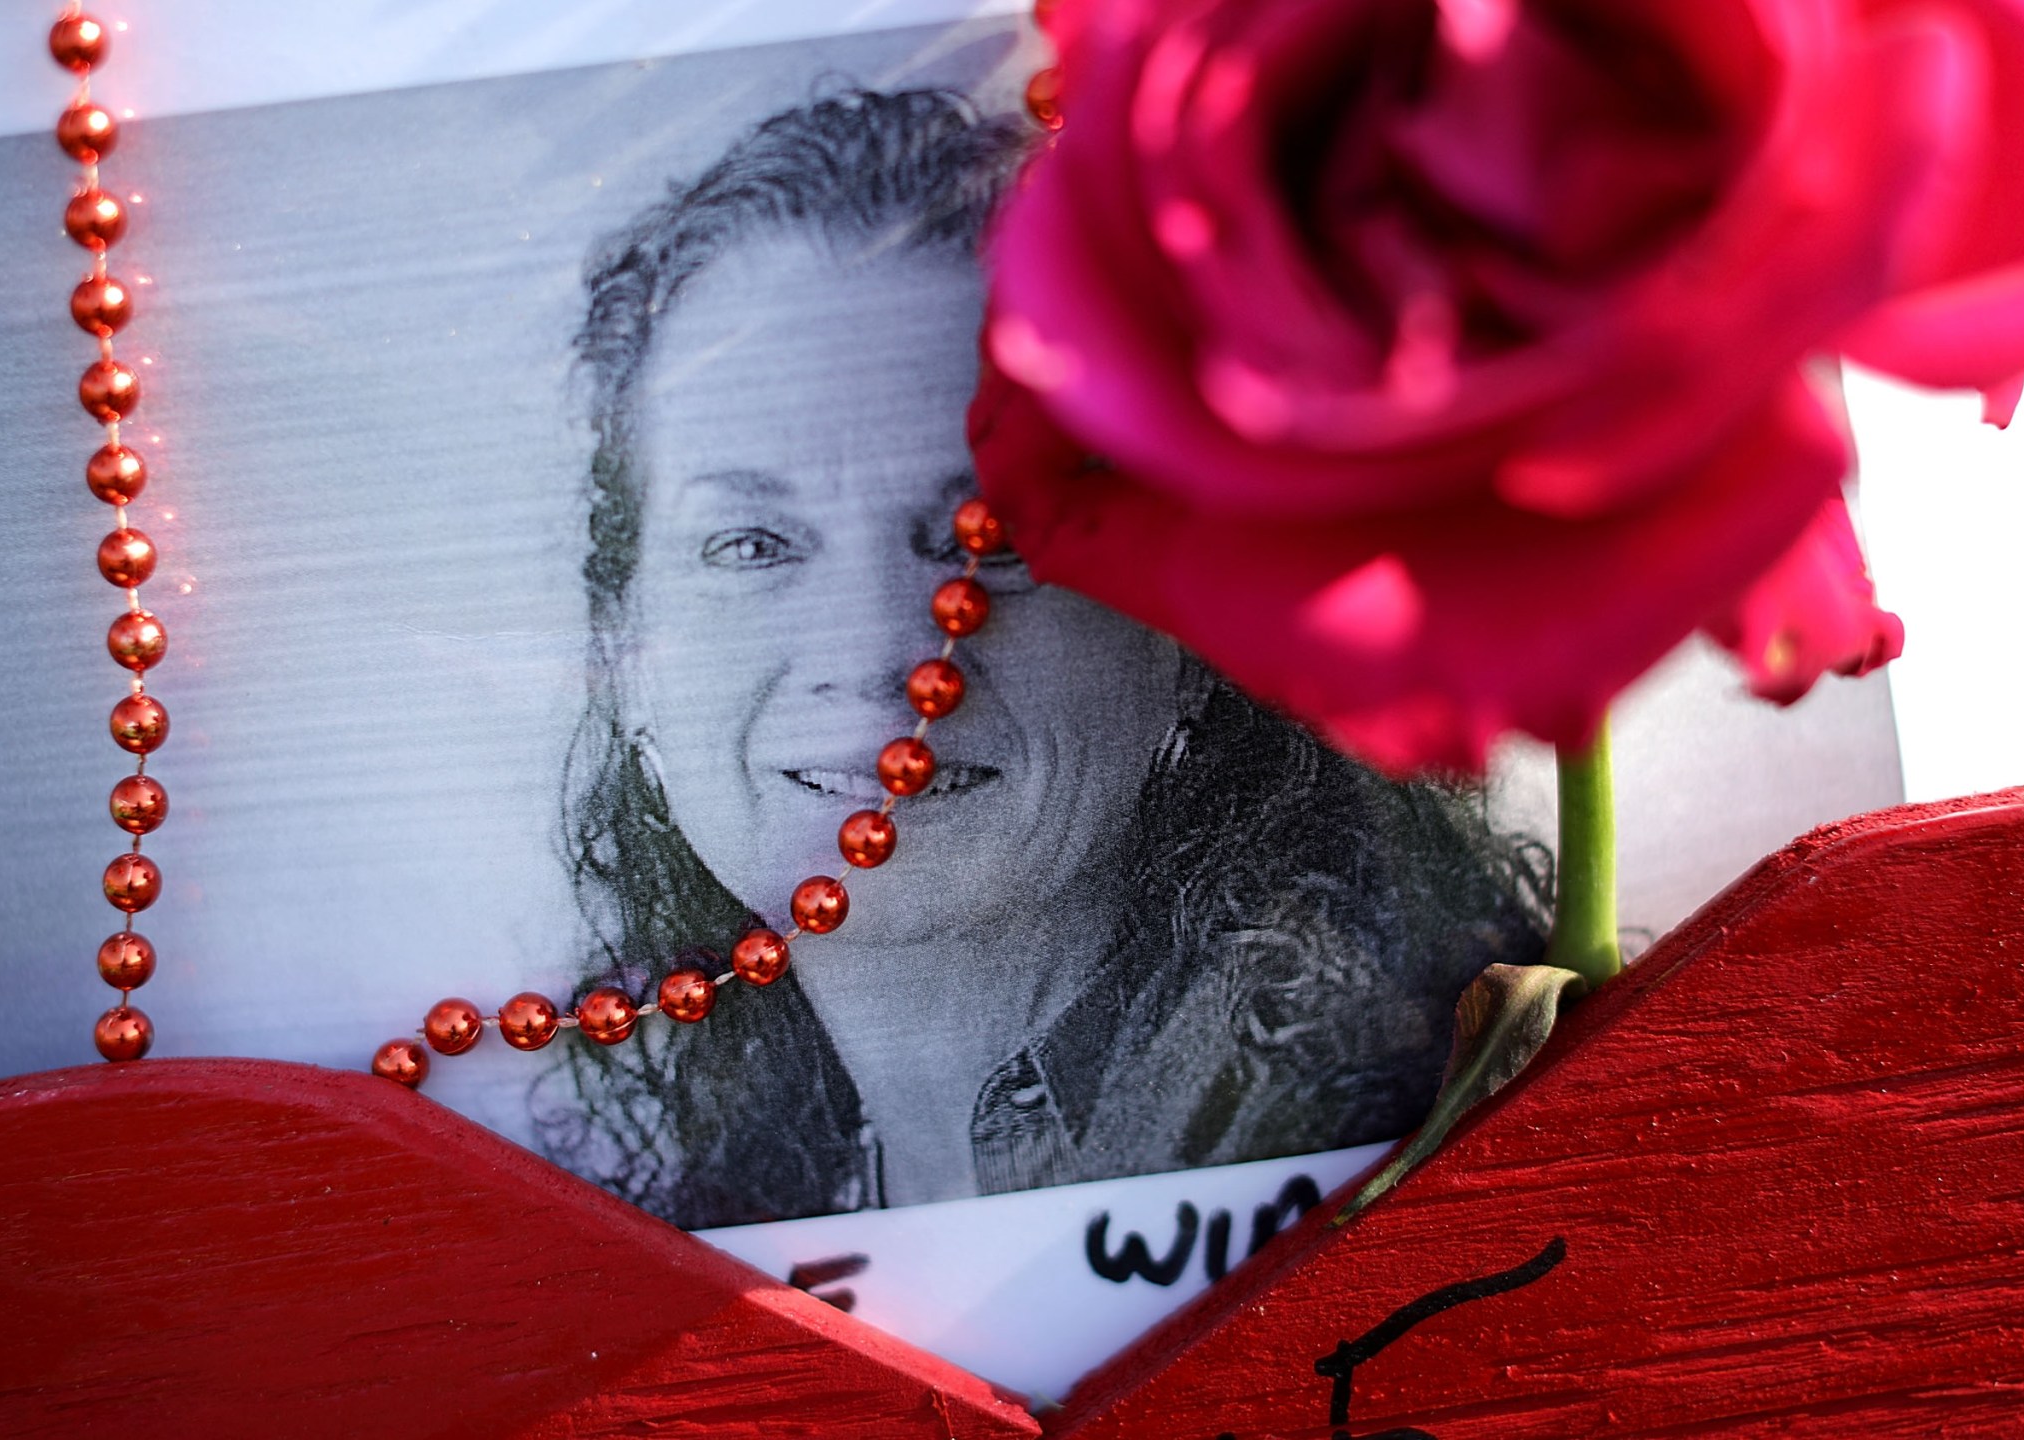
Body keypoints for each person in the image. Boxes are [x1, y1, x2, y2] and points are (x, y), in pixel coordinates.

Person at [532, 87, 1552, 1229]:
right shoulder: (713, 1213)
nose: (873, 657)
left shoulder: (1417, 1131)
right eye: (749, 545)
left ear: (1187, 629)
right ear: (624, 656)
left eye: (990, 540)